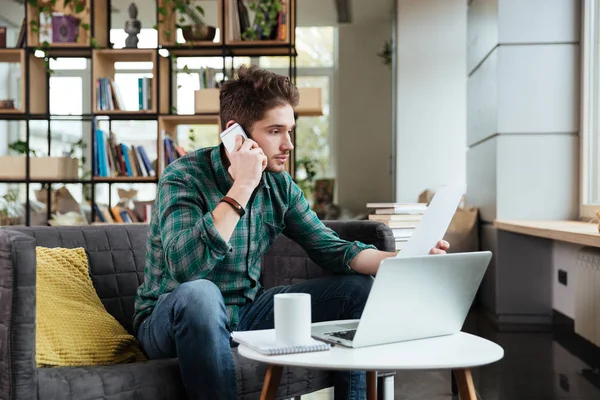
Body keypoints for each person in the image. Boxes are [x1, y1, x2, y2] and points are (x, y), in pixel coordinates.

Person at [133, 65, 450, 400]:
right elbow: (186, 269)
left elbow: (331, 248)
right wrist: (242, 185)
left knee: (358, 290)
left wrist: (405, 260)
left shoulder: (278, 185)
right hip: (169, 321)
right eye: (275, 131)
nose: (288, 144)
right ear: (235, 134)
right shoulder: (183, 176)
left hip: (244, 313)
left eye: (290, 131)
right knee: (201, 295)